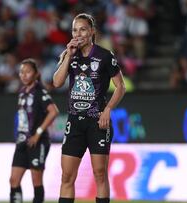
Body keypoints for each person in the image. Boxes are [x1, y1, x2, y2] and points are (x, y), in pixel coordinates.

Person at [53, 13, 126, 203]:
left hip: (97, 123)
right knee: (67, 177)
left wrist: (108, 109)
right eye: (75, 30)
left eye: (83, 29)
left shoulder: (104, 56)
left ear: (92, 32)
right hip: (75, 122)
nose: (78, 33)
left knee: (100, 174)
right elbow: (57, 82)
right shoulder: (70, 54)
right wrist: (68, 55)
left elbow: (120, 86)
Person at [9, 58, 59, 203]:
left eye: (28, 72)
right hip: (22, 141)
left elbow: (53, 111)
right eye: (21, 72)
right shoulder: (22, 92)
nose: (24, 75)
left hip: (38, 142)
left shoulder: (39, 92)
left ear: (36, 74)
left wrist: (38, 133)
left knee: (36, 180)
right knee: (13, 180)